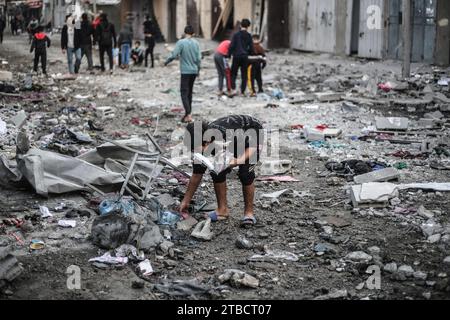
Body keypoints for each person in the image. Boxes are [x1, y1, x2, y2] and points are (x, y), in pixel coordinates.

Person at [180, 115, 264, 227]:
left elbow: (252, 146)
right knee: (216, 171)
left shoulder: (228, 134)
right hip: (227, 143)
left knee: (245, 174)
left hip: (252, 134)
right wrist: (186, 201)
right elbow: (197, 174)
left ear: (207, 141)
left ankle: (249, 213)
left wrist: (239, 160)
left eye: (197, 148)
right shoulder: (200, 145)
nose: (196, 152)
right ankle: (222, 210)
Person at [164, 25, 201, 123]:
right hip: (194, 71)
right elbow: (198, 59)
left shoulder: (181, 42)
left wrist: (166, 61)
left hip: (185, 71)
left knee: (184, 92)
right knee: (189, 92)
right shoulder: (196, 43)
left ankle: (188, 114)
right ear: (193, 34)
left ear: (185, 33)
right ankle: (188, 113)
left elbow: (174, 54)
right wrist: (198, 70)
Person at [228, 19, 254, 96]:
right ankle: (242, 91)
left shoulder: (236, 35)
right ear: (248, 26)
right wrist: (250, 54)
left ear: (240, 25)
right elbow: (251, 47)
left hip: (236, 56)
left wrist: (229, 55)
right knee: (244, 74)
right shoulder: (249, 36)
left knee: (233, 73)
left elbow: (231, 46)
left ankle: (233, 88)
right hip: (244, 57)